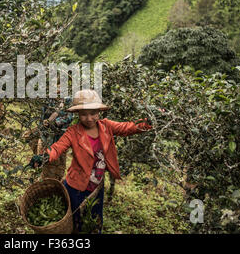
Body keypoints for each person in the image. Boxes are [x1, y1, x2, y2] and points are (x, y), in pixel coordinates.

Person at [30, 89, 154, 233]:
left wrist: (146, 123)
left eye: (93, 113)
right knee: (77, 223)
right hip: (76, 187)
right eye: (84, 114)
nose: (89, 118)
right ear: (78, 114)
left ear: (99, 112)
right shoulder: (73, 132)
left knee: (95, 221)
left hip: (96, 186)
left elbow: (127, 128)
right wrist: (44, 157)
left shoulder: (106, 126)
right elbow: (57, 148)